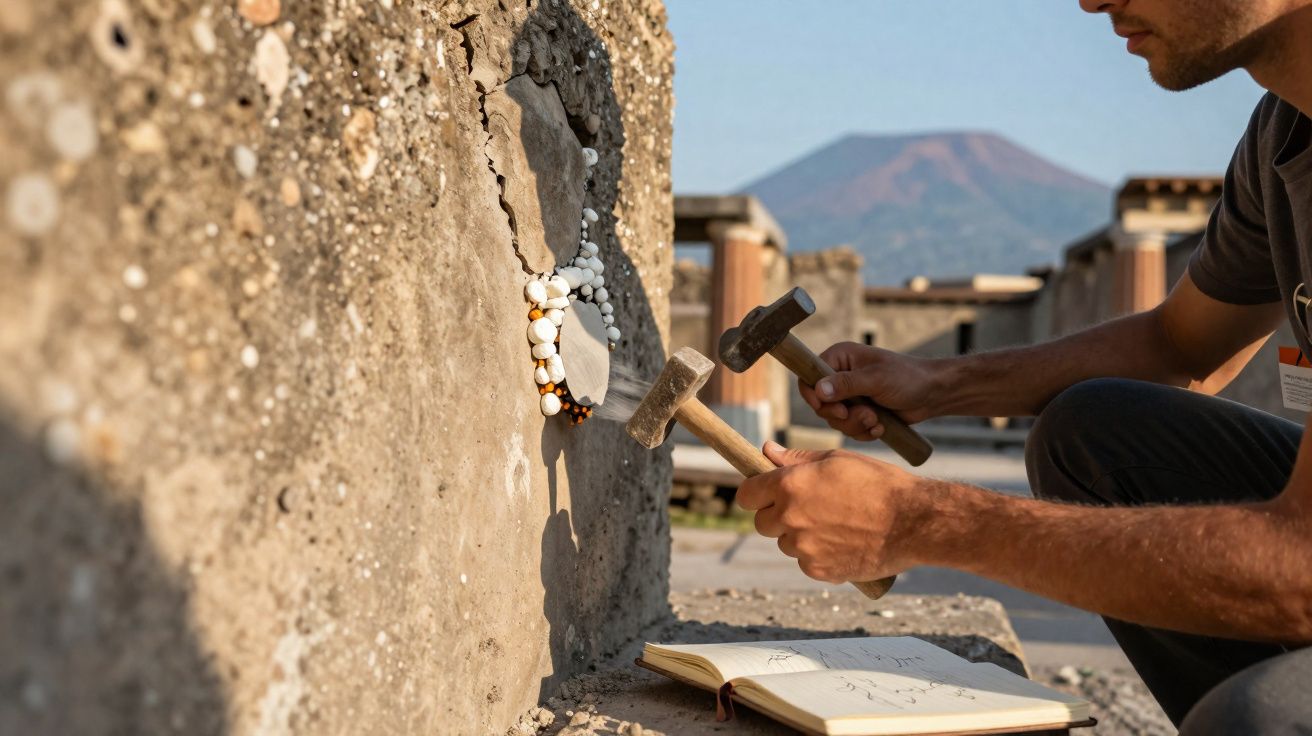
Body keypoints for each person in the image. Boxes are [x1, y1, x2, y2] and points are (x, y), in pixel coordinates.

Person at [735, 0, 1312, 731]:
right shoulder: (1285, 130)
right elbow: (1181, 348)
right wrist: (937, 384)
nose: (1091, 1)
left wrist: (919, 521)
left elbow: (1303, 568)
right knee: (1096, 434)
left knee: (1256, 717)